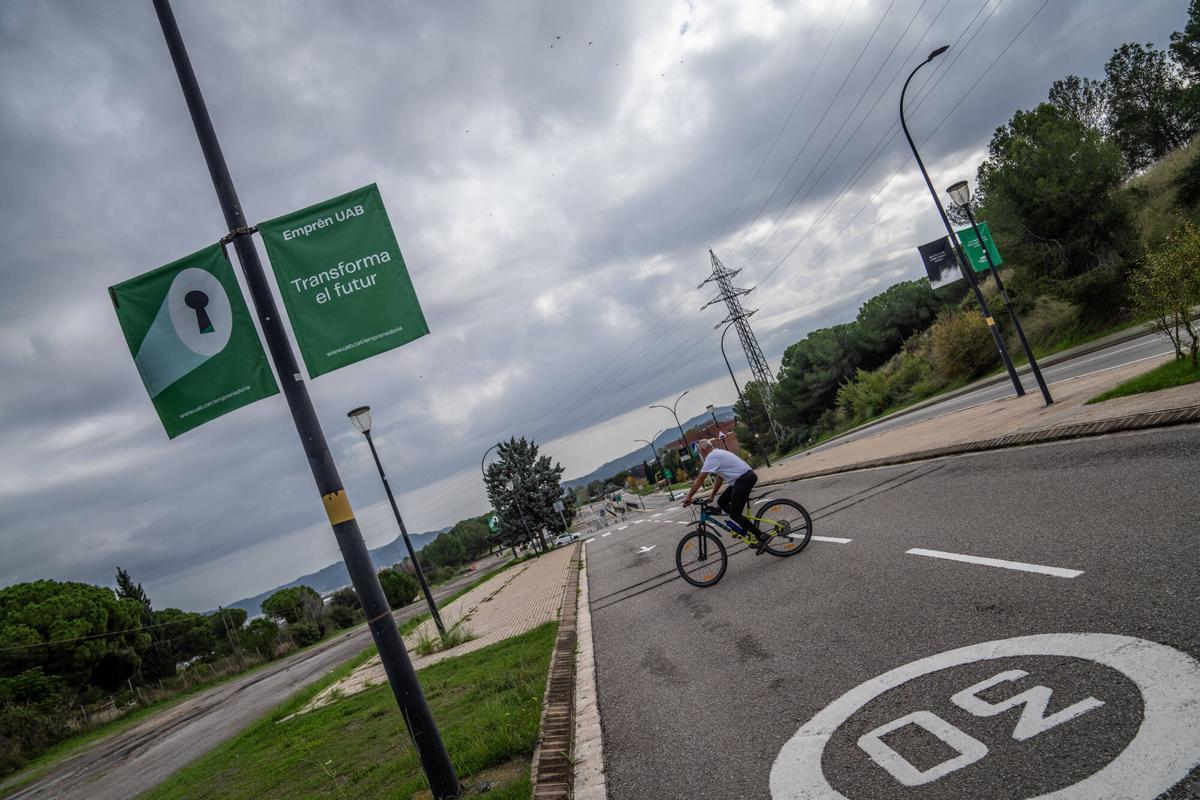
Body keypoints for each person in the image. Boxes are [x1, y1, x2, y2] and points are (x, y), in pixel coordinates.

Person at [681, 439, 770, 553]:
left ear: (703, 450)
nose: (700, 454)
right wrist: (712, 495)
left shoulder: (712, 456)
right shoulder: (717, 453)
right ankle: (744, 525)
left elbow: (700, 478)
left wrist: (689, 497)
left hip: (744, 479)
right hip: (741, 479)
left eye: (699, 451)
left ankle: (762, 536)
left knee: (735, 514)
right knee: (722, 502)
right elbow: (720, 477)